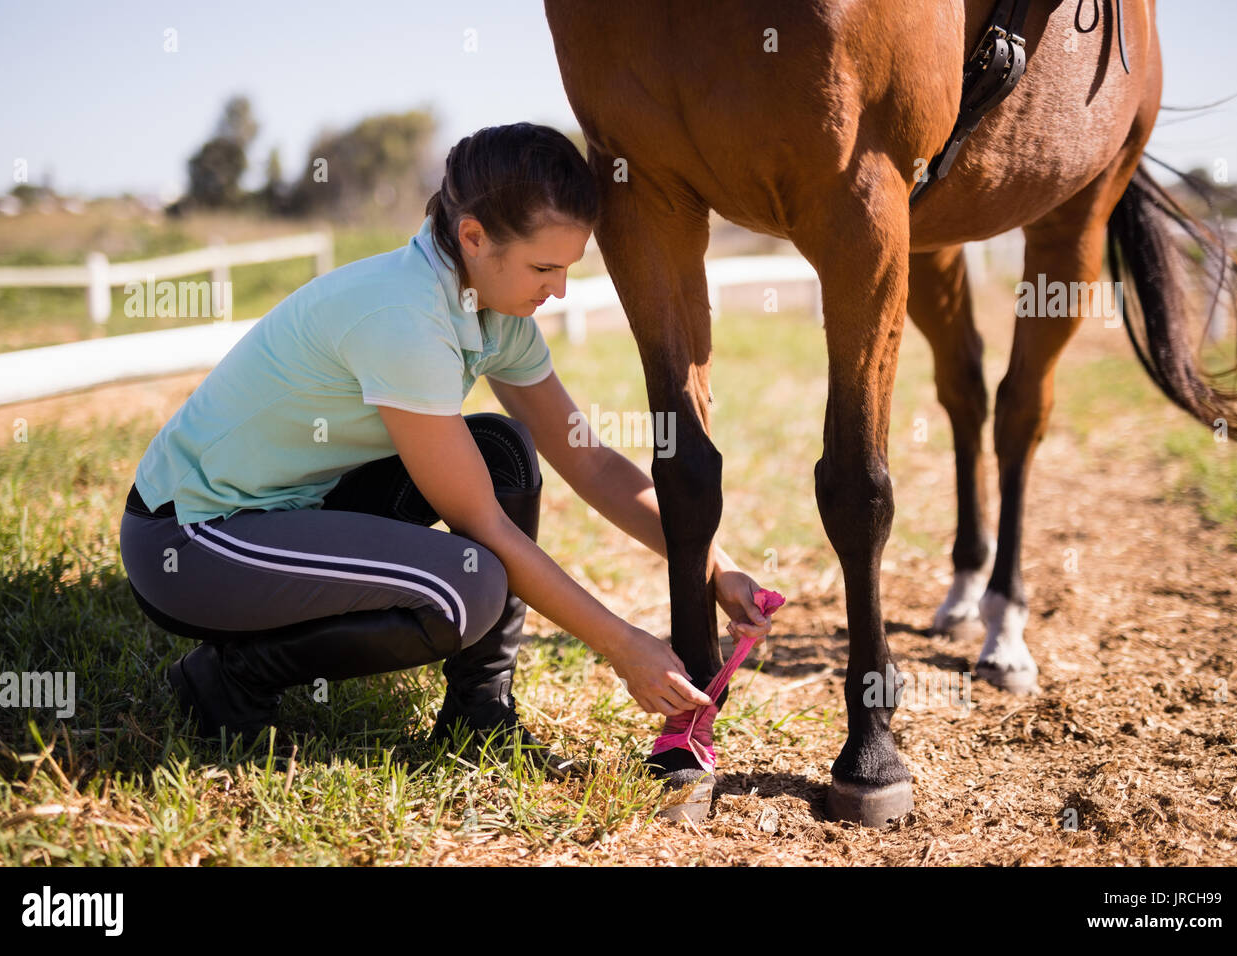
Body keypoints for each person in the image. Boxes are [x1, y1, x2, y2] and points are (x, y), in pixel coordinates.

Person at [119, 122, 773, 780]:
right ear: (472, 237)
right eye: (544, 268)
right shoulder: (405, 317)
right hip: (190, 537)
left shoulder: (494, 308)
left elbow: (591, 460)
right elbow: (482, 525)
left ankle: (477, 713)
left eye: (568, 268)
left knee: (504, 451)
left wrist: (714, 566)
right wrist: (623, 644)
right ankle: (225, 682)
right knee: (467, 586)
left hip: (295, 507)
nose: (560, 290)